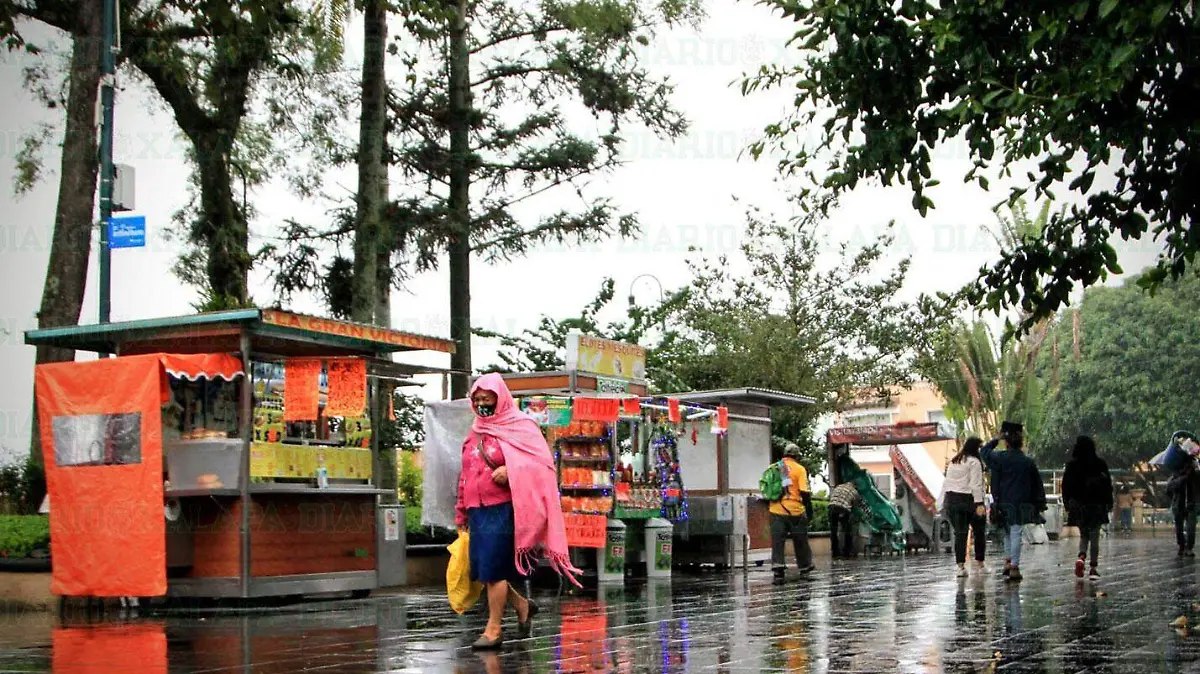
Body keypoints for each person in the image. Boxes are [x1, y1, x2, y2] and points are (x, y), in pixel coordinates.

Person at [455, 373, 582, 649]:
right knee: (486, 571)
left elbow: (542, 466)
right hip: (477, 509)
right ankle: (523, 606)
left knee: (493, 571)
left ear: (500, 399)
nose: (481, 404)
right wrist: (461, 511)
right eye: (476, 400)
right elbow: (465, 474)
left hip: (505, 509)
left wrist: (511, 470)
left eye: (486, 399)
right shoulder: (476, 430)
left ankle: (494, 629)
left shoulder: (522, 426)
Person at [980, 421, 1046, 582]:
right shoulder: (1027, 462)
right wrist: (1038, 504)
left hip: (1003, 502)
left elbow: (984, 451)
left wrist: (996, 439)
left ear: (1006, 441)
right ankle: (1014, 565)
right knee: (1015, 532)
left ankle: (1009, 562)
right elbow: (1037, 484)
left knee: (1008, 533)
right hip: (1022, 503)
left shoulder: (999, 458)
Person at [1061, 436, 1113, 579]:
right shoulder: (1100, 464)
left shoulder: (1072, 466)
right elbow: (1108, 486)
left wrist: (1067, 503)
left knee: (1084, 534)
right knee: (1094, 535)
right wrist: (1109, 503)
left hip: (1078, 505)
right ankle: (1093, 568)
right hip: (1096, 505)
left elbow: (1065, 487)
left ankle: (1081, 557)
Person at [940, 436, 987, 578]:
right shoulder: (974, 462)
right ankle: (980, 564)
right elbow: (975, 484)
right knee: (979, 532)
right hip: (969, 500)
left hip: (952, 501)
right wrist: (979, 504)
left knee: (960, 534)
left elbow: (946, 483)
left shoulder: (954, 461)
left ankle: (960, 567)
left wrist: (941, 502)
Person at [768, 443, 815, 579]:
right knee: (800, 539)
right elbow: (804, 492)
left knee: (778, 540)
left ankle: (778, 567)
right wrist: (809, 510)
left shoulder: (774, 467)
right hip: (795, 511)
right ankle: (804, 567)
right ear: (796, 456)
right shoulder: (799, 469)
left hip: (776, 509)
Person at [1165, 431, 1200, 557]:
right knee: (1179, 528)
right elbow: (1169, 488)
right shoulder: (1177, 475)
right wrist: (1184, 478)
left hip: (1192, 503)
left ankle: (1189, 548)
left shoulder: (1196, 474)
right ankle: (1181, 546)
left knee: (1191, 528)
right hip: (1178, 503)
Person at [827, 479, 861, 558]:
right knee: (847, 530)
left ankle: (835, 552)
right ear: (855, 486)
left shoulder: (839, 486)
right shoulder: (854, 491)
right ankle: (847, 551)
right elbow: (855, 505)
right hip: (843, 508)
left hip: (832, 507)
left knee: (833, 531)